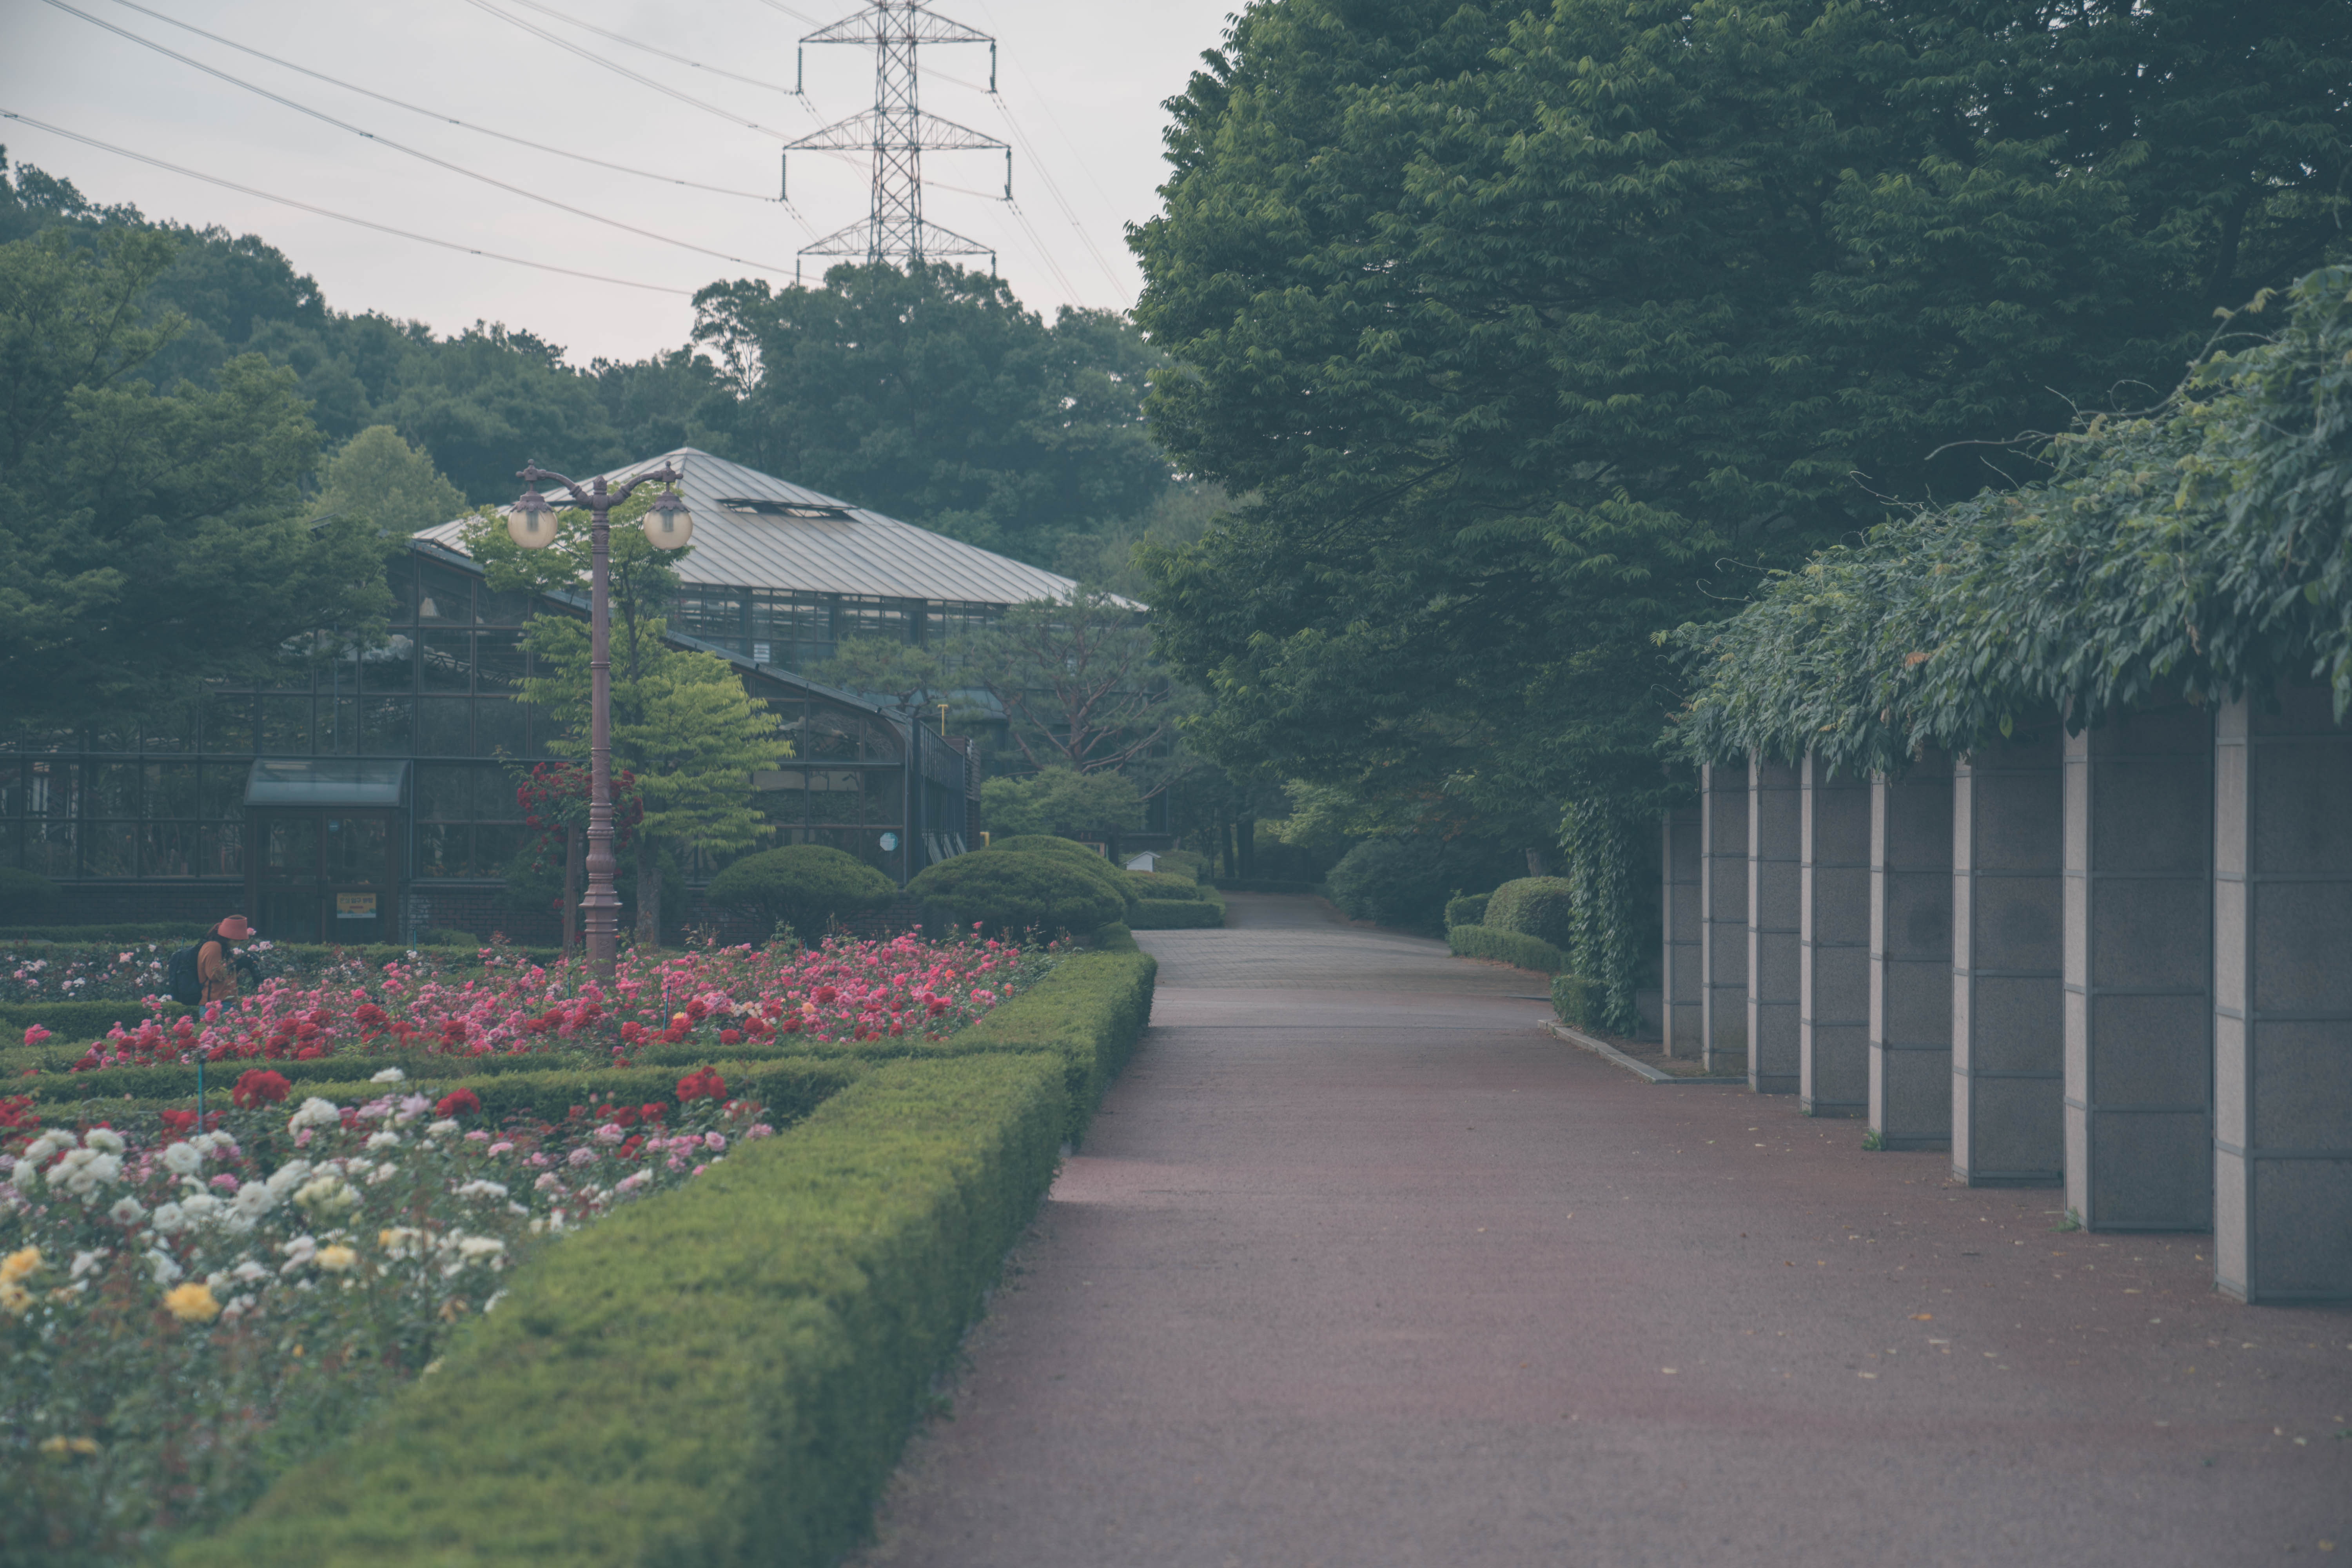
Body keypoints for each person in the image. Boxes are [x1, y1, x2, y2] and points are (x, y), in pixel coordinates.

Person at [198, 915, 254, 1006]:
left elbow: (227, 976)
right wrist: (238, 965)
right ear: (226, 937)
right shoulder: (213, 947)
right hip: (215, 1004)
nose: (238, 943)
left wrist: (240, 965)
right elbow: (215, 975)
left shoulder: (224, 950)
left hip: (225, 1002)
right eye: (236, 940)